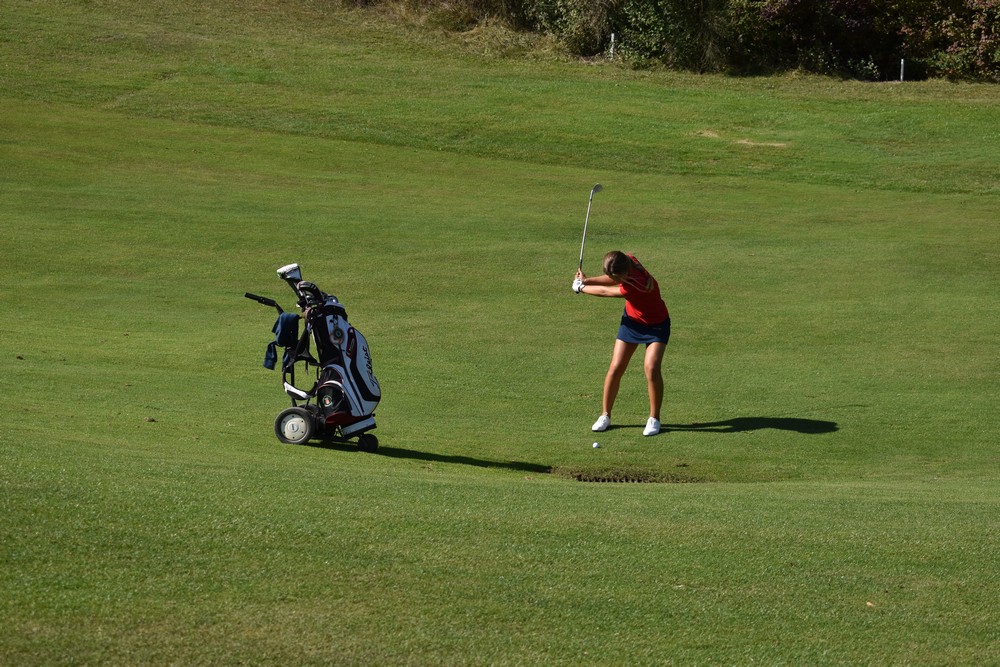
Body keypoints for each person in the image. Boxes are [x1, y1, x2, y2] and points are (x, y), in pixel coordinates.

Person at [572, 251, 670, 436]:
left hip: (656, 325)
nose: (615, 280)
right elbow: (613, 278)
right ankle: (605, 415)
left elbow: (606, 291)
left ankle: (654, 418)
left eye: (617, 278)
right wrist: (587, 280)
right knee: (616, 367)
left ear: (624, 273)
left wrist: (580, 288)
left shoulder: (636, 285)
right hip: (632, 322)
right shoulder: (628, 260)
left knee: (651, 368)